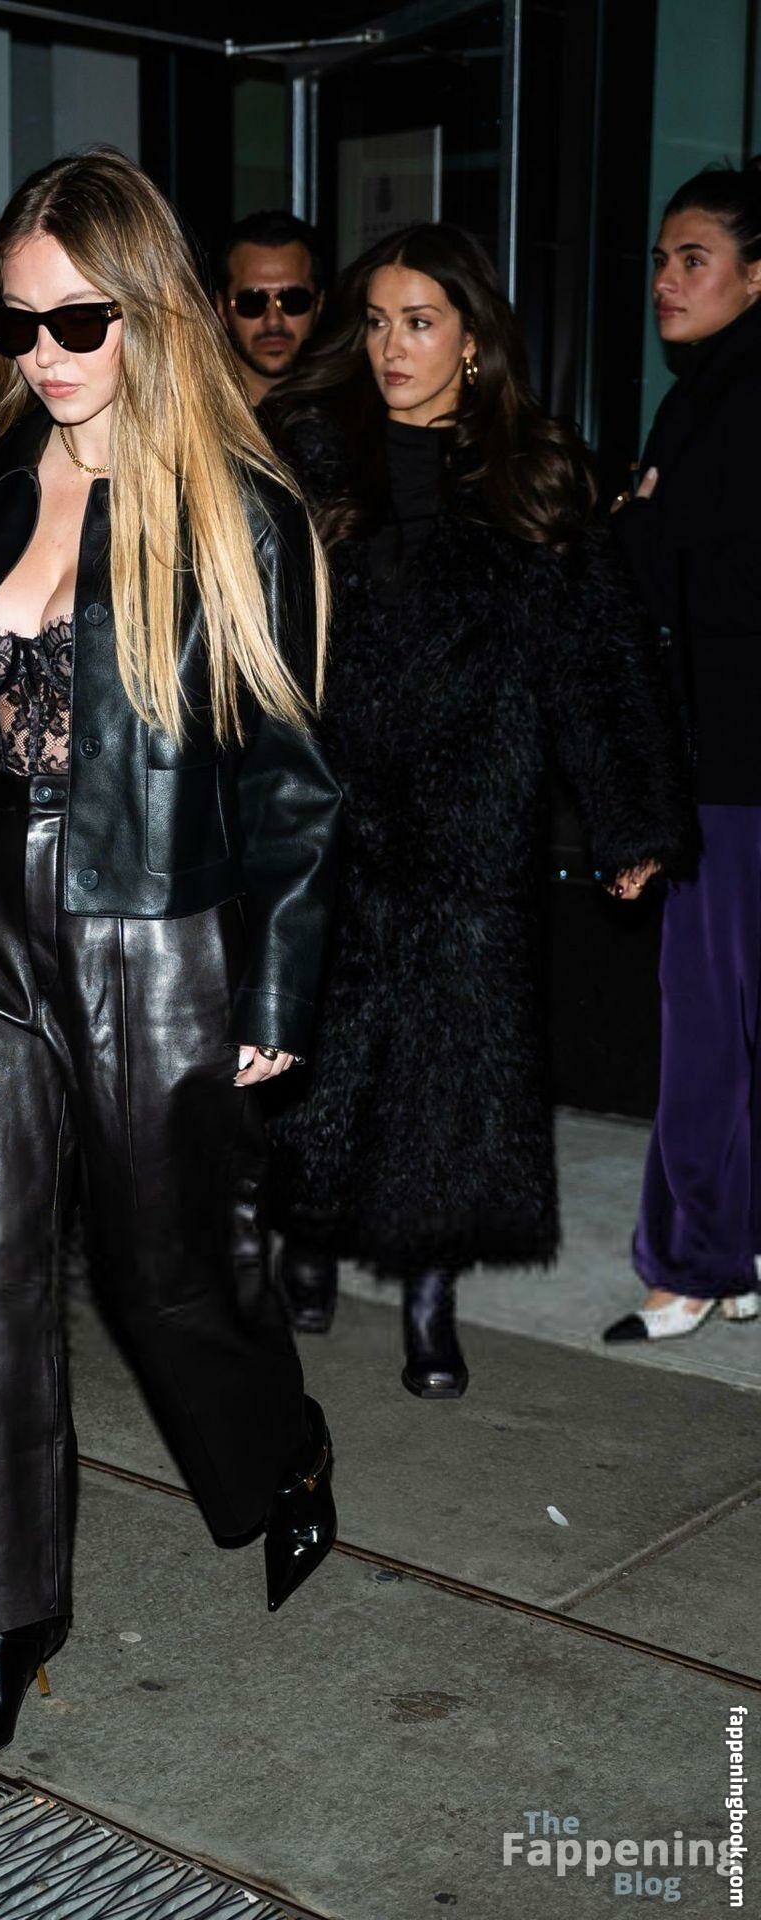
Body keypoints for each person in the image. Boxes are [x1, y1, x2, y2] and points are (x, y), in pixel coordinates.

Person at [0, 148, 344, 1775]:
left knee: (169, 1283)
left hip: (154, 933)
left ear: (150, 311)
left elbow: (292, 781)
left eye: (79, 320)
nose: (46, 355)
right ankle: (5, 1626)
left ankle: (281, 1456)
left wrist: (275, 988)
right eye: (16, 326)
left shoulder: (236, 511)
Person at [262, 222, 693, 1397]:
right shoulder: (306, 457)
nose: (389, 348)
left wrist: (627, 820)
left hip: (471, 807)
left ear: (468, 339)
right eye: (374, 323)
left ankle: (429, 1296)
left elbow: (597, 658)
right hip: (331, 804)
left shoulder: (530, 472)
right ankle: (303, 1233)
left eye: (417, 323)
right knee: (317, 1041)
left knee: (452, 1060)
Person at [604, 162, 761, 1344]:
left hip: (728, 769)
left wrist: (633, 524)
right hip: (725, 761)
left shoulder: (721, 409)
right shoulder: (703, 397)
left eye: (691, 259)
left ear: (755, 276)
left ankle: (694, 1263)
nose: (665, 280)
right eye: (660, 259)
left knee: (704, 1021)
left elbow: (682, 583)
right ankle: (731, 1253)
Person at [215, 210, 325, 409]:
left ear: (318, 305)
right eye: (251, 302)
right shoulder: (185, 412)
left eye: (293, 300)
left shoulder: (353, 416)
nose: (273, 321)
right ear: (222, 309)